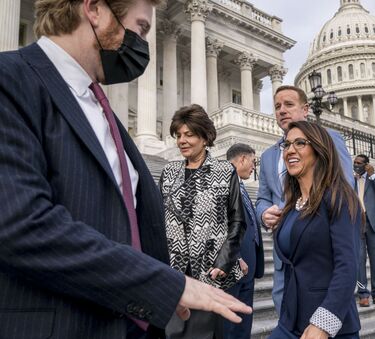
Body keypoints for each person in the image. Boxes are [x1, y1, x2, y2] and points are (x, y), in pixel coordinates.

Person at [0, 0, 251, 338]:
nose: (142, 45)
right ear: (94, 10)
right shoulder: (9, 79)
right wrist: (162, 285)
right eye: (142, 28)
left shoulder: (101, 110)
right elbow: (21, 224)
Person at [256, 85, 353, 315]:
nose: (281, 110)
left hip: (320, 252)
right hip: (284, 258)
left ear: (306, 109)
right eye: (277, 106)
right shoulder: (269, 155)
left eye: (288, 105)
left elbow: (345, 189)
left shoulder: (329, 139)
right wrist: (263, 213)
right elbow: (262, 197)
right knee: (286, 317)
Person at [160, 105, 246, 339]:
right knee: (173, 333)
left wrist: (224, 260)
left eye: (189, 134)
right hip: (174, 272)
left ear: (205, 136)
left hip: (211, 271)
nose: (182, 141)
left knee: (204, 334)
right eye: (178, 135)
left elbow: (237, 220)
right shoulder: (168, 172)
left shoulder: (224, 170)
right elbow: (159, 220)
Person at [269, 121, 361, 339]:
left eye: (300, 143)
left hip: (327, 323)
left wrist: (324, 323)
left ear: (319, 149)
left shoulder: (339, 197)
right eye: (287, 144)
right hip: (291, 318)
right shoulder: (292, 205)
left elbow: (347, 266)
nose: (290, 150)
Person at [223, 143, 265, 339]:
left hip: (248, 267)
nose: (254, 167)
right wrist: (236, 256)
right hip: (233, 266)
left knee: (243, 322)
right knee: (229, 324)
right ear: (241, 159)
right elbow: (220, 225)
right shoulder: (222, 184)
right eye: (253, 162)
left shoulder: (240, 185)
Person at [354, 154, 375, 308]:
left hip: (374, 223)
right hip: (356, 224)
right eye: (354, 162)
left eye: (359, 163)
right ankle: (363, 294)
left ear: (367, 165)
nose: (356, 165)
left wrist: (372, 175)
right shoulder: (349, 179)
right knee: (359, 259)